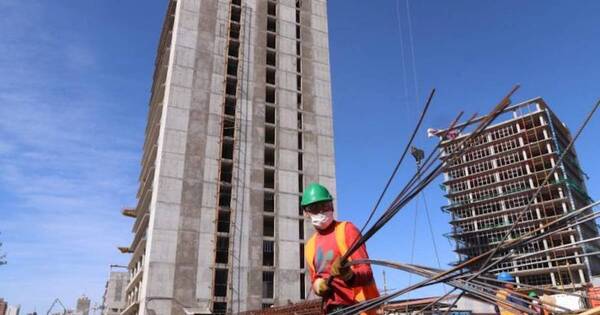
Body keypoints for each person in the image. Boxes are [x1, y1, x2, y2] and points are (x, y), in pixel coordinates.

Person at [302, 183, 380, 314]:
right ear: (306, 213)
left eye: (325, 206)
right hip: (331, 310)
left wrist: (348, 275)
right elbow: (315, 279)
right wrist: (318, 286)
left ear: (331, 206)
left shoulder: (347, 230)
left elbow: (367, 272)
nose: (321, 211)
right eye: (315, 208)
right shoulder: (310, 246)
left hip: (357, 308)